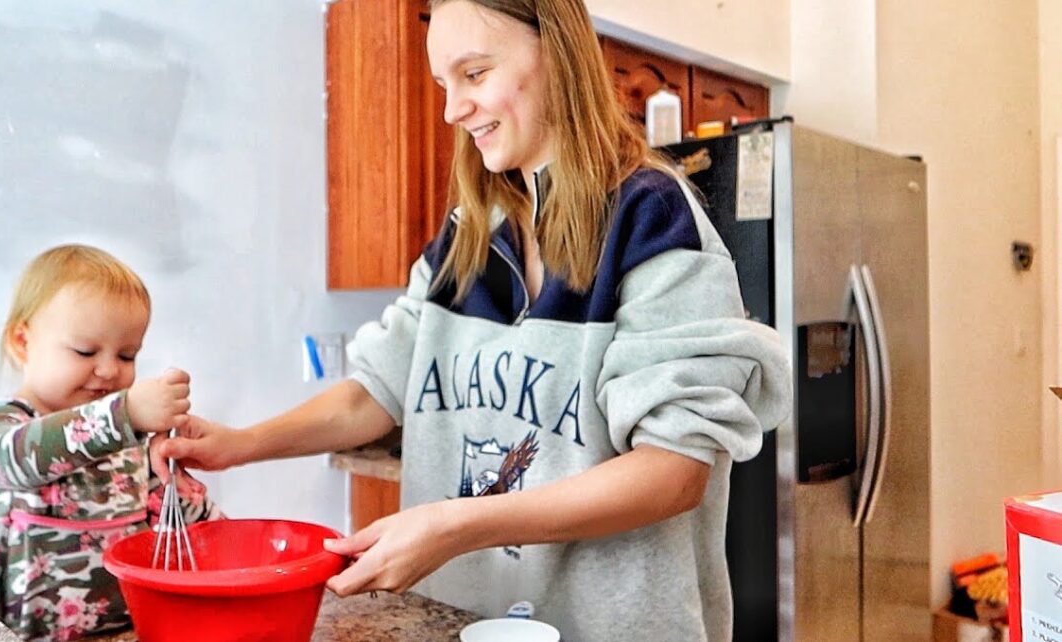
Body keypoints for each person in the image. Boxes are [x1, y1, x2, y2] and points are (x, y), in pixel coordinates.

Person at [154, 0, 792, 640]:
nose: (451, 110)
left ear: (557, 56)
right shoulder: (471, 233)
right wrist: (237, 446)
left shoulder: (650, 218)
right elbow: (378, 391)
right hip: (463, 624)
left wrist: (455, 524)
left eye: (475, 74)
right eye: (443, 84)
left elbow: (671, 473)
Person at [0, 244, 223, 642]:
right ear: (22, 342)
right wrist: (125, 414)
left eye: (127, 355)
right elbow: (16, 460)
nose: (108, 370)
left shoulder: (127, 439)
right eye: (85, 351)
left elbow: (187, 523)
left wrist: (181, 486)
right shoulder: (0, 426)